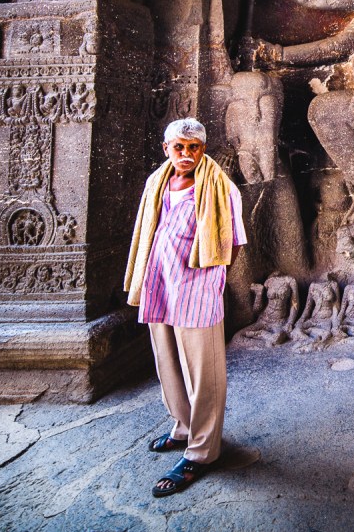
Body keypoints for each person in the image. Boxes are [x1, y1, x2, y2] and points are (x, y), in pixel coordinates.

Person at [124, 118, 247, 498]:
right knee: (167, 361)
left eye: (194, 148)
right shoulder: (157, 182)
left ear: (203, 149)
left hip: (196, 285)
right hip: (158, 282)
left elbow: (235, 241)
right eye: (179, 147)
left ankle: (203, 451)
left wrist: (212, 280)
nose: (187, 155)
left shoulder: (219, 186)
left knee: (203, 370)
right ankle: (182, 426)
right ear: (166, 149)